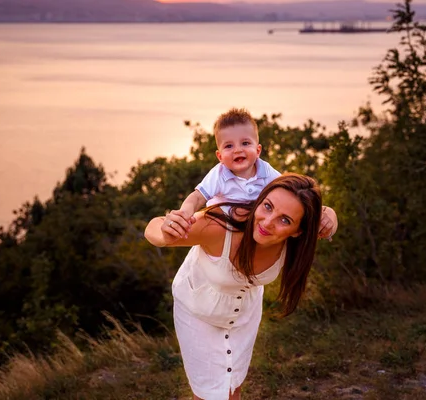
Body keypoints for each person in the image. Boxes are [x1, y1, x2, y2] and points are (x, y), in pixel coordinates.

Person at [144, 173, 337, 400]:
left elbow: (326, 215)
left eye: (284, 220)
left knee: (233, 387)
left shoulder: (296, 242)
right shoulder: (219, 226)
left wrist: (331, 217)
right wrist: (166, 231)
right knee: (209, 394)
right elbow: (153, 228)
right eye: (267, 206)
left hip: (244, 314)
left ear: (298, 231)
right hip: (198, 311)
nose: (267, 222)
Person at [172, 107, 337, 241]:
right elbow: (197, 197)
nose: (238, 149)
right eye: (228, 146)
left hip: (253, 235)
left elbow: (292, 194)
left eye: (245, 143)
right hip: (221, 232)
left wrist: (325, 212)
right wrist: (185, 212)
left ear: (258, 150)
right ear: (220, 156)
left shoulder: (267, 172)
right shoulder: (219, 174)